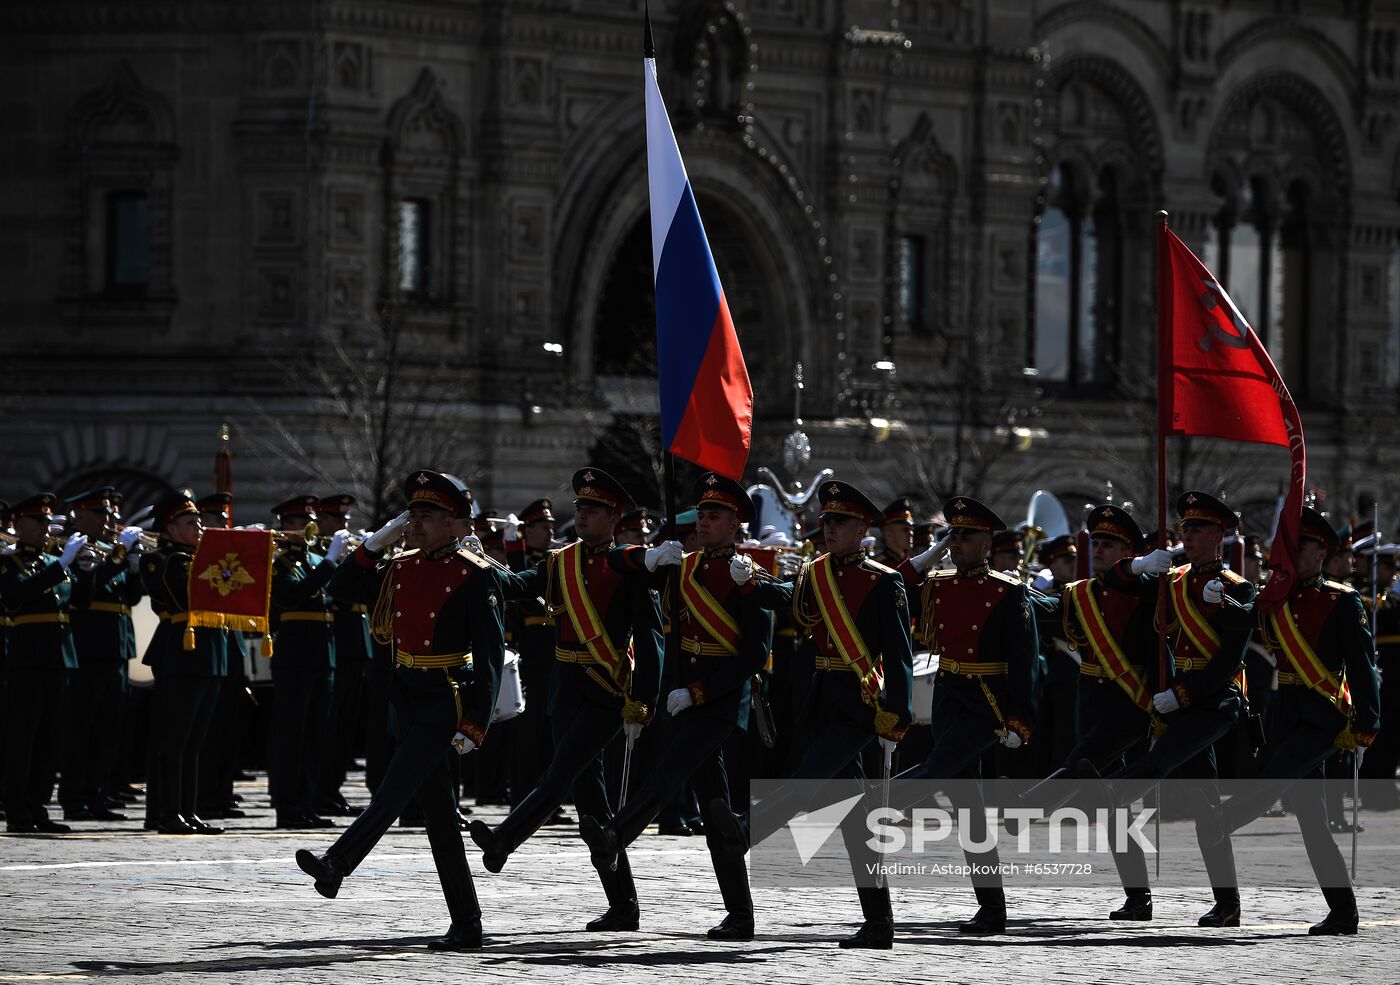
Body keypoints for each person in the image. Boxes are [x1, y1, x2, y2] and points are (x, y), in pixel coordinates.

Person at [295, 470, 507, 952]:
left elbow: (490, 655)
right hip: (407, 694)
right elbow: (341, 590)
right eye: (412, 514)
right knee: (437, 818)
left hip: (444, 697)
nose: (414, 523)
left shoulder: (476, 575)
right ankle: (467, 924)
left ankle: (336, 864)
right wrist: (373, 546)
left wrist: (476, 721)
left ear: (453, 523)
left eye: (427, 515)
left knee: (391, 792)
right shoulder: (401, 566)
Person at [704, 479, 914, 948]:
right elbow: (788, 601)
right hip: (822, 695)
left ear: (863, 527)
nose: (831, 527)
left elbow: (898, 653)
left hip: (862, 702)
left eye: (840, 521)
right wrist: (750, 584)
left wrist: (897, 713)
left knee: (810, 776)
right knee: (858, 818)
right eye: (827, 520)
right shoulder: (816, 573)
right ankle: (879, 922)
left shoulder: (886, 580)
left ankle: (746, 828)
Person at [577, 472, 772, 940]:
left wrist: (699, 692)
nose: (704, 522)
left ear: (736, 524)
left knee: (668, 774)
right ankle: (740, 915)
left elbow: (752, 654)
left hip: (723, 701)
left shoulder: (748, 574)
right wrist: (651, 559)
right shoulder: (684, 567)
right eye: (702, 514)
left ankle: (614, 836)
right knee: (717, 809)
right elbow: (645, 600)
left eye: (715, 515)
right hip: (685, 697)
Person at [469, 468, 663, 931]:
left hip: (605, 689)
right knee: (592, 807)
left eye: (593, 509)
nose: (582, 515)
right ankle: (624, 906)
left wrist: (644, 697)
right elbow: (517, 588)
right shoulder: (562, 562)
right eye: (579, 507)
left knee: (558, 775)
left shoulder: (628, 566)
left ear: (614, 518)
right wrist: (479, 563)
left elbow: (651, 636)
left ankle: (503, 840)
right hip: (565, 688)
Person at [1198, 507, 1381, 935]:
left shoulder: (1341, 600)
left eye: (1302, 547)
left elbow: (1362, 666)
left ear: (1322, 553)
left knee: (1269, 784)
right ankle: (1343, 911)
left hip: (1323, 718)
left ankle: (1220, 826)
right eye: (1289, 546)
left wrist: (1367, 723)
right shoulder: (1274, 598)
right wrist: (1218, 599)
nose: (1292, 554)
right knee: (1312, 822)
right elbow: (1242, 623)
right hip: (1286, 713)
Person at [1088, 490, 1251, 927]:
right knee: (1205, 805)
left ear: (1219, 535)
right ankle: (1151, 899)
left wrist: (1182, 695)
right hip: (1175, 701)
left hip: (1214, 701)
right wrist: (1143, 564)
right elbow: (1113, 582)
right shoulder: (1170, 579)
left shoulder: (1237, 587)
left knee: (1129, 785)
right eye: (1186, 527)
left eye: (1199, 528)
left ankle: (1223, 901)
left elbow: (1228, 660)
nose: (1190, 535)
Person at [890, 495, 1037, 934]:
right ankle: (992, 908)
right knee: (967, 806)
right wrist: (925, 558)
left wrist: (1019, 718)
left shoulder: (1008, 592)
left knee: (936, 769)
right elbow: (893, 590)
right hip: (949, 695)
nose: (957, 543)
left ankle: (870, 807)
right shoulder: (939, 583)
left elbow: (1024, 662)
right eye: (952, 535)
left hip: (986, 702)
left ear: (987, 543)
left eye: (966, 536)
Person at [139, 488, 229, 835]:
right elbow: (183, 592)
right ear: (169, 527)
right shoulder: (160, 559)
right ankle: (166, 811)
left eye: (199, 523)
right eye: (191, 523)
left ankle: (187, 810)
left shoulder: (198, 557)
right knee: (174, 739)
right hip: (180, 650)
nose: (200, 529)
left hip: (209, 652)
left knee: (194, 741)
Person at [1, 493, 89, 833]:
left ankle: (38, 806)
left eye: (46, 521)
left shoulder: (52, 561)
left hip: (59, 657)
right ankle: (17, 810)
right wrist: (62, 564)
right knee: (23, 739)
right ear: (19, 525)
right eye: (37, 521)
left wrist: (86, 569)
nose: (44, 527)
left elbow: (78, 601)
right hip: (28, 658)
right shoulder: (9, 563)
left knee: (50, 740)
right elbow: (19, 594)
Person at [58, 487, 143, 822]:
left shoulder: (109, 551)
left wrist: (133, 568)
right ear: (79, 514)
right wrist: (119, 558)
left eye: (109, 514)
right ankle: (73, 797)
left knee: (108, 729)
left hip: (116, 647)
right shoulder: (76, 548)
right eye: (99, 513)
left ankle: (96, 793)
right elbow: (84, 593)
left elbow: (132, 598)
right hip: (88, 647)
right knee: (81, 728)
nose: (107, 520)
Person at [269, 495, 351, 829]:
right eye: (300, 521)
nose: (307, 527)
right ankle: (286, 807)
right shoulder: (279, 564)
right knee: (291, 734)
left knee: (317, 735)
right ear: (285, 526)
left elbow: (338, 598)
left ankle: (307, 803)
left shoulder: (315, 559)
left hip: (322, 654)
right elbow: (294, 594)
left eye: (310, 520)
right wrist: (330, 563)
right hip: (294, 655)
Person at [315, 493, 369, 818]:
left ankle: (332, 788)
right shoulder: (318, 554)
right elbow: (333, 592)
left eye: (346, 520)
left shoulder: (341, 553)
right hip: (337, 642)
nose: (344, 525)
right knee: (330, 725)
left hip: (357, 644)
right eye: (337, 519)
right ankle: (321, 790)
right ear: (321, 522)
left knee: (345, 726)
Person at [873, 497, 914, 568]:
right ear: (889, 534)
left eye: (912, 529)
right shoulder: (879, 566)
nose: (911, 533)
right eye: (905, 529)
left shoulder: (909, 560)